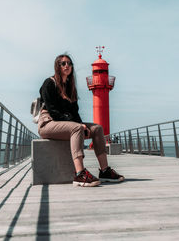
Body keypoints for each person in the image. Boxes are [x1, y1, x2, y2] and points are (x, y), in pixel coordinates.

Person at [38, 54, 125, 187]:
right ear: (57, 66)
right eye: (63, 63)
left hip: (65, 124)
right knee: (77, 128)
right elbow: (53, 112)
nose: (67, 66)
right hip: (48, 123)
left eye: (69, 63)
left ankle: (105, 170)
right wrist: (78, 126)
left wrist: (83, 125)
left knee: (97, 128)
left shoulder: (70, 87)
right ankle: (80, 174)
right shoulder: (49, 83)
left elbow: (74, 112)